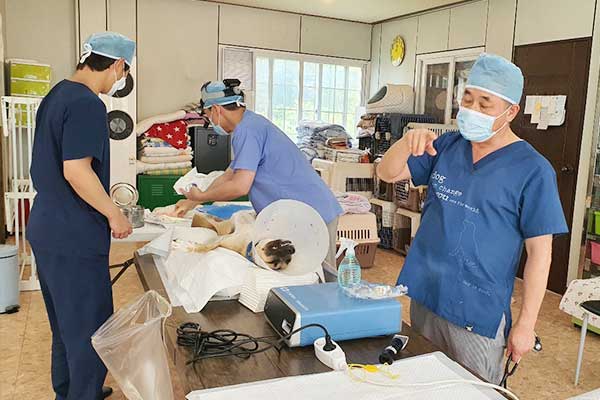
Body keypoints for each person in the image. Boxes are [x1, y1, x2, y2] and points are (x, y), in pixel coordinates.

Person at [377, 53, 568, 383]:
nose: (472, 110)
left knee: (472, 389)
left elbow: (541, 254)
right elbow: (387, 172)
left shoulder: (533, 170)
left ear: (510, 112)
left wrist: (525, 325)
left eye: (485, 103)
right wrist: (406, 143)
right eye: (468, 98)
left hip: (477, 312)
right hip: (427, 293)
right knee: (423, 381)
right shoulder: (448, 145)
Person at [27, 32, 136, 399]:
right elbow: (77, 170)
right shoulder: (88, 103)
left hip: (47, 224)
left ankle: (69, 391)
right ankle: (83, 394)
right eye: (123, 73)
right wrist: (114, 215)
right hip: (73, 231)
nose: (119, 81)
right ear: (119, 65)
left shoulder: (57, 93)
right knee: (89, 326)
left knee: (66, 324)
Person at [172, 79, 343, 270]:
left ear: (216, 109)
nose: (210, 122)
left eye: (208, 115)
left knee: (316, 276)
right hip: (300, 212)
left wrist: (202, 196)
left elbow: (240, 185)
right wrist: (193, 202)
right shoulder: (250, 125)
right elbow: (229, 176)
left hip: (312, 213)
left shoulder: (248, 130)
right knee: (302, 274)